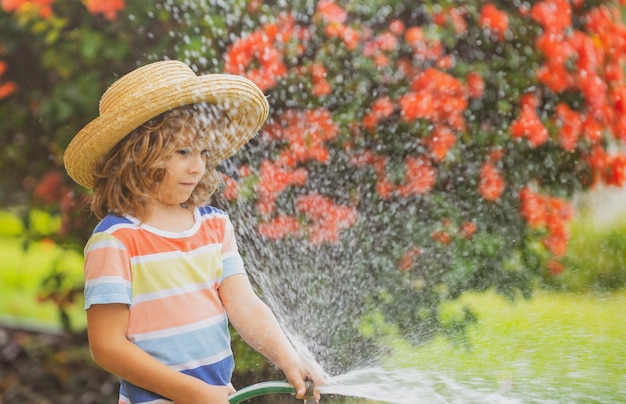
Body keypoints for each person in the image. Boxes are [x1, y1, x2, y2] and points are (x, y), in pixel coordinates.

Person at [63, 60, 325, 404]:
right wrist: (195, 394)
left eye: (203, 152)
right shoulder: (116, 241)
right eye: (182, 152)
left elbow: (244, 304)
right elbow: (108, 347)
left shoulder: (214, 226)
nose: (197, 166)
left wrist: (289, 357)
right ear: (137, 156)